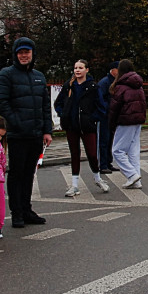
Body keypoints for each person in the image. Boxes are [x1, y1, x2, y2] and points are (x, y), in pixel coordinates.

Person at [0, 37, 52, 228]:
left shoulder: (39, 76)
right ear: (15, 54)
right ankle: (17, 212)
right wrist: (17, 122)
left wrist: (47, 131)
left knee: (29, 174)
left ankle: (27, 210)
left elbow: (45, 106)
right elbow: (1, 102)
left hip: (36, 135)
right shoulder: (6, 75)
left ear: (32, 54)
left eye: (27, 52)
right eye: (20, 53)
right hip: (18, 135)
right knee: (17, 174)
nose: (24, 56)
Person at [54, 59, 110, 196]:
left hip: (87, 126)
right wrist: (64, 114)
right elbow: (58, 103)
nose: (77, 70)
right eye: (75, 68)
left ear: (87, 70)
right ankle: (74, 185)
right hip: (71, 125)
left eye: (80, 67)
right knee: (74, 154)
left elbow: (102, 108)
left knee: (91, 154)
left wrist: (92, 119)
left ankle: (97, 178)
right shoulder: (69, 85)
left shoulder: (93, 87)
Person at [109, 59, 147, 189]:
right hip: (137, 121)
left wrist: (111, 124)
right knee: (133, 151)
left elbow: (115, 107)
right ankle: (137, 181)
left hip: (125, 121)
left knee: (117, 151)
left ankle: (132, 175)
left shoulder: (121, 86)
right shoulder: (138, 85)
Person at [97, 62, 119, 174]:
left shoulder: (114, 82)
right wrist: (108, 108)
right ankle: (103, 164)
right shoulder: (104, 82)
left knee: (110, 140)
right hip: (104, 116)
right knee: (104, 140)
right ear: (113, 70)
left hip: (111, 116)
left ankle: (108, 162)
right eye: (118, 69)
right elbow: (100, 100)